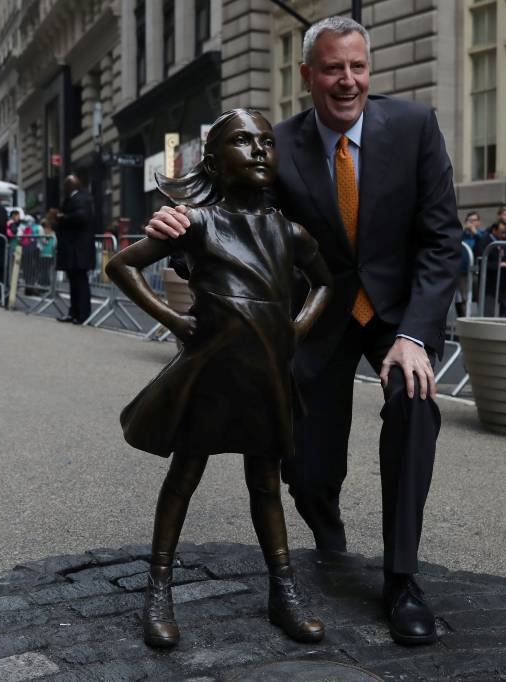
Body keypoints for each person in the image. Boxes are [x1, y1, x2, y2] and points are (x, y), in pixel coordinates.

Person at [143, 16, 460, 646]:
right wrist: (178, 229)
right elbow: (234, 218)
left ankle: (401, 580)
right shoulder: (277, 145)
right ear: (307, 76)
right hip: (316, 322)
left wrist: (417, 336)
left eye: (358, 67)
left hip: (398, 316)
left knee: (413, 404)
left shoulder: (416, 127)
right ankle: (327, 530)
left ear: (369, 69)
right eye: (334, 68)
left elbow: (441, 241)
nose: (348, 81)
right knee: (307, 467)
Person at [105, 109, 332, 648]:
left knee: (267, 483)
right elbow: (122, 265)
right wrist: (177, 320)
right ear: (212, 159)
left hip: (267, 374)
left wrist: (296, 328)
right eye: (242, 141)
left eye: (266, 142)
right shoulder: (198, 223)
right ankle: (158, 587)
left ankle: (284, 590)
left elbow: (325, 283)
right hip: (210, 371)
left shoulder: (289, 231)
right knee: (185, 475)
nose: (258, 151)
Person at [54, 175, 96, 324]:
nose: (63, 188)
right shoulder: (75, 198)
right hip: (73, 249)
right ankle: (74, 313)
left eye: (65, 185)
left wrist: (63, 217)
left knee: (80, 282)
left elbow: (82, 216)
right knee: (74, 282)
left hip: (79, 249)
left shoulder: (81, 198)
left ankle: (82, 314)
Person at [476, 220, 506, 317]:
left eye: (505, 232)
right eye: (502, 232)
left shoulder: (504, 240)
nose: (504, 235)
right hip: (489, 280)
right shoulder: (485, 241)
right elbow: (482, 262)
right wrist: (499, 264)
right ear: (494, 230)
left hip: (503, 279)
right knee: (488, 308)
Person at [455, 211, 481, 317]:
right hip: (462, 271)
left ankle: (482, 318)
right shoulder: (462, 234)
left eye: (474, 220)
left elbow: (483, 244)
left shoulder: (481, 234)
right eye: (469, 220)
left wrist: (475, 233)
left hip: (476, 270)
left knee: (479, 296)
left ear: (478, 222)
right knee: (463, 297)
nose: (471, 223)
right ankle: (464, 319)